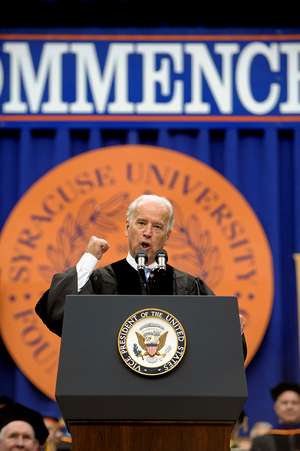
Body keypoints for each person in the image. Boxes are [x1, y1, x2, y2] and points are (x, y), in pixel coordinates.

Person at [35, 194, 246, 356]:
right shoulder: (101, 281)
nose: (148, 232)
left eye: (157, 226)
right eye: (141, 223)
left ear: (168, 236)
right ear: (127, 227)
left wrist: (232, 331)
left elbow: (223, 348)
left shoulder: (188, 286)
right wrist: (89, 259)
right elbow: (57, 313)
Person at [250, 382, 300, 451]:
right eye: (284, 402)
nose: (289, 407)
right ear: (276, 407)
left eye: (295, 402)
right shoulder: (261, 442)